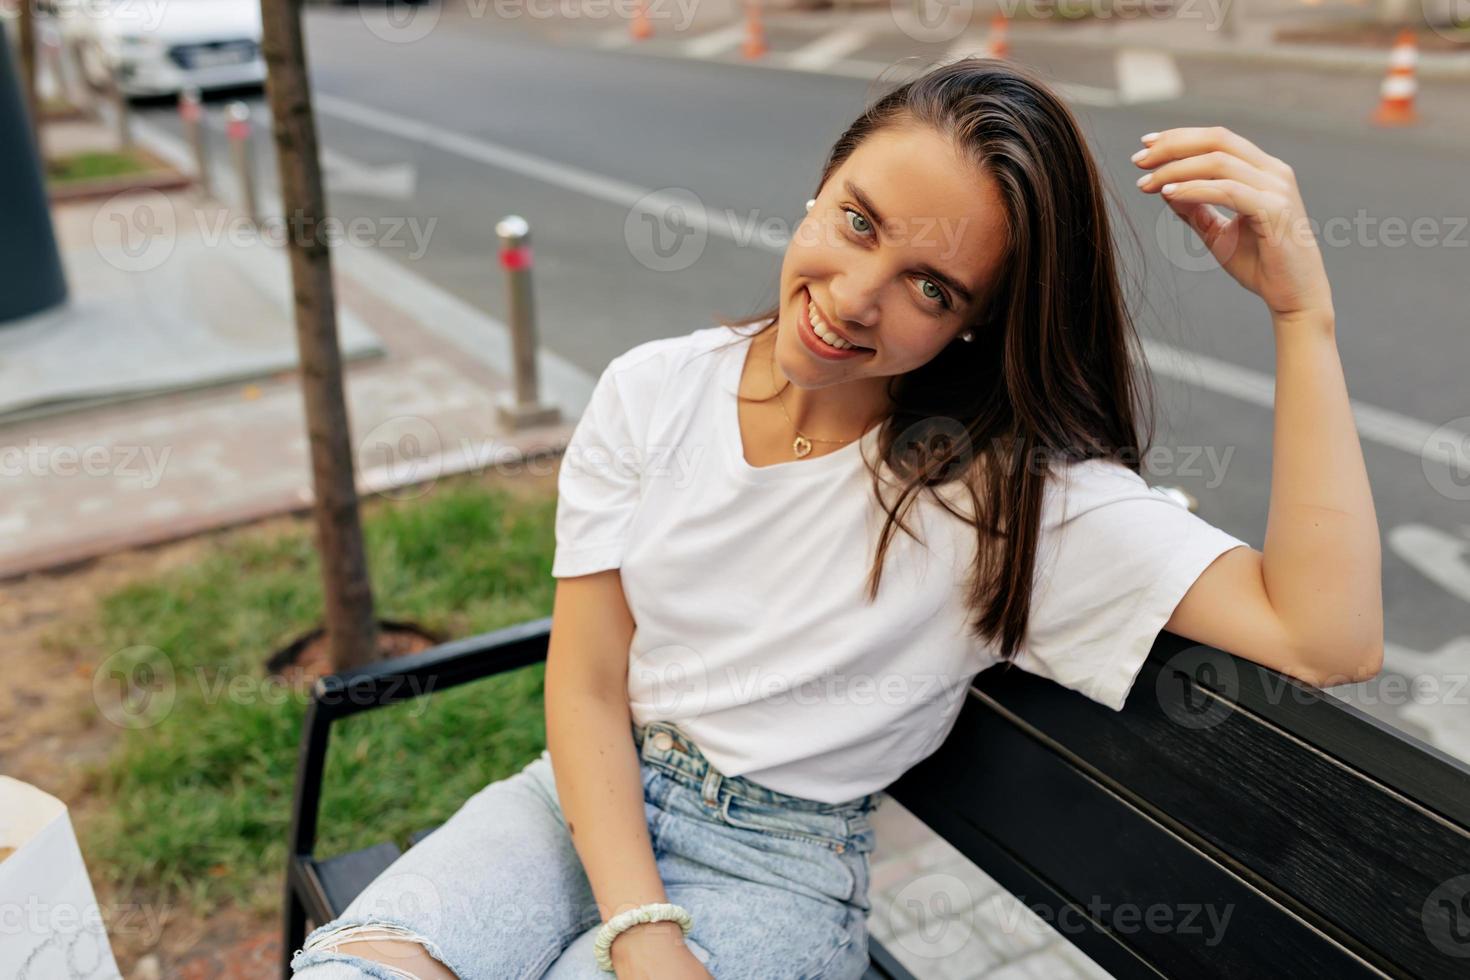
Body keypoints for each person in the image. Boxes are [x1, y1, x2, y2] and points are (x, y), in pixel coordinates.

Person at [289, 56, 1382, 980]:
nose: (857, 293)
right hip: (583, 797)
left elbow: (1327, 635)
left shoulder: (1003, 499)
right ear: (820, 186)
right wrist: (639, 925)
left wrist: (1305, 314)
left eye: (931, 286)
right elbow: (583, 686)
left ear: (974, 324)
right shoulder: (654, 389)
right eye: (857, 221)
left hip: (778, 863)